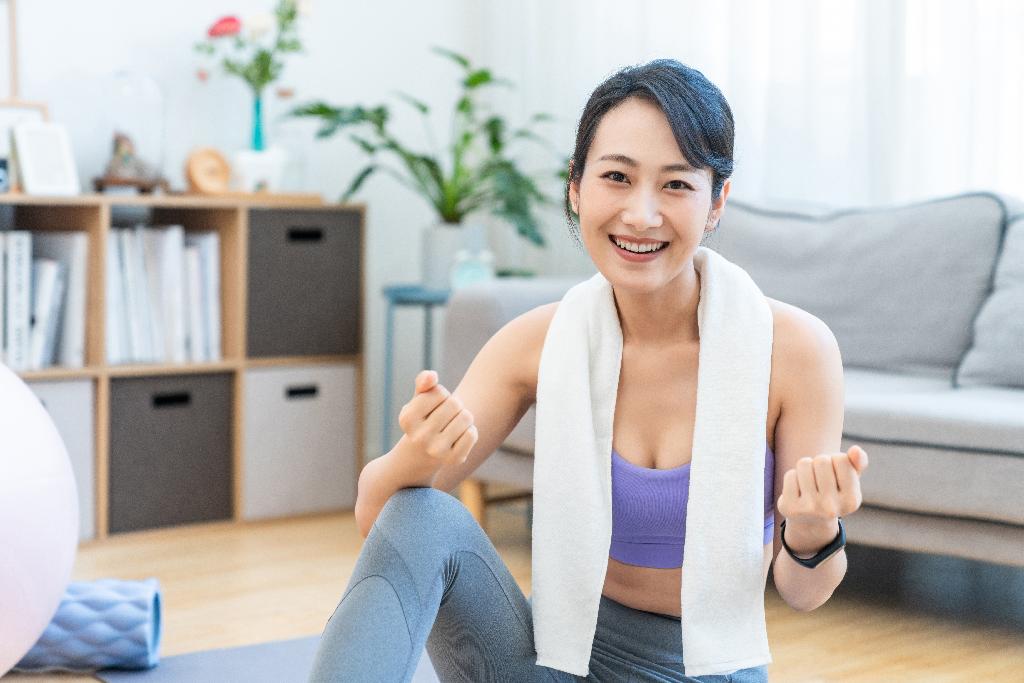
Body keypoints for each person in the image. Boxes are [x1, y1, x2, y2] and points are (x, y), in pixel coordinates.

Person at [308, 58, 869, 683]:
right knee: (422, 511)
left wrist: (815, 530)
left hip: (705, 671)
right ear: (577, 188)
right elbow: (379, 519)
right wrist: (416, 454)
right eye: (617, 177)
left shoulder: (793, 351)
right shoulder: (536, 342)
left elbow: (804, 592)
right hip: (558, 661)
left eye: (677, 185)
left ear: (716, 202)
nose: (641, 214)